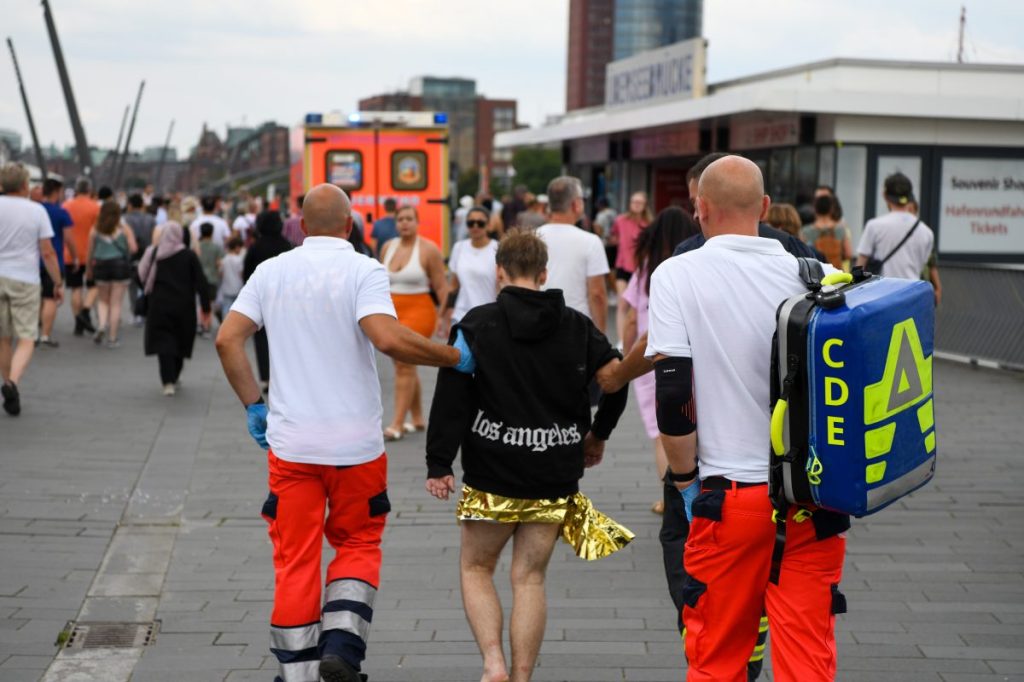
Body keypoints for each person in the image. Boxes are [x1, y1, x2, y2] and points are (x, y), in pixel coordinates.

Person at [216, 182, 471, 682]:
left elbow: (228, 340)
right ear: (351, 227)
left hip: (292, 448)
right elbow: (387, 338)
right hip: (356, 447)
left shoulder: (271, 272)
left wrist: (254, 405)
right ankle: (342, 648)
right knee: (356, 543)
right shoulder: (364, 269)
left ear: (302, 227)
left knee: (296, 559)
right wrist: (454, 357)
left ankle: (297, 674)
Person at [646, 156, 846, 681]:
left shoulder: (677, 275)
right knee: (808, 658)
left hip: (730, 497)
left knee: (720, 656)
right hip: (811, 497)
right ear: (762, 208)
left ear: (700, 209)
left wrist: (685, 481)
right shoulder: (818, 276)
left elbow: (673, 394)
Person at [425, 230, 632, 682]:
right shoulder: (577, 325)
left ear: (499, 272)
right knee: (530, 578)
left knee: (477, 567)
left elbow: (452, 396)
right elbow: (615, 380)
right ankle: (521, 676)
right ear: (544, 273)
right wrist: (598, 435)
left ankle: (492, 663)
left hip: (491, 474)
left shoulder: (477, 324)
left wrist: (439, 462)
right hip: (553, 471)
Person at [621, 207, 698, 515]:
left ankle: (670, 498)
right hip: (689, 355)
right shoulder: (693, 268)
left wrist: (626, 362)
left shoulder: (646, 271)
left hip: (651, 358)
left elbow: (629, 319)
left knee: (661, 431)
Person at [0, 163, 63, 416]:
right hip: (25, 278)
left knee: (3, 337)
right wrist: (57, 282)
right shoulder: (36, 211)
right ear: (25, 185)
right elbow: (47, 251)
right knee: (27, 337)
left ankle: (6, 383)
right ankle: (13, 383)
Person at [381, 205, 448, 440]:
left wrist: (444, 316)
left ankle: (397, 423)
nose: (405, 223)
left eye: (409, 218)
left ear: (418, 222)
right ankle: (418, 417)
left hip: (420, 310)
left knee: (403, 363)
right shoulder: (388, 247)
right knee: (404, 364)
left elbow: (441, 285)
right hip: (392, 311)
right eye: (400, 219)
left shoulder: (429, 249)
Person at [138, 222, 211, 395]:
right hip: (184, 307)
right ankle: (175, 375)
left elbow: (140, 275)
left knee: (164, 344)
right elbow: (201, 281)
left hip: (159, 305)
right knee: (181, 341)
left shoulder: (155, 252)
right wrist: (206, 306)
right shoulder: (189, 255)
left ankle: (167, 381)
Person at [536, 177, 609, 333]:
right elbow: (597, 295)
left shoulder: (532, 237)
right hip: (578, 327)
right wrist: (601, 337)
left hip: (538, 323)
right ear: (576, 204)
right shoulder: (591, 242)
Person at [856, 172, 938, 296]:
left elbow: (859, 267)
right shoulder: (927, 233)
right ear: (910, 197)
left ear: (885, 195)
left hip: (882, 298)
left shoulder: (874, 226)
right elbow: (922, 266)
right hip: (912, 297)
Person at [244, 211, 292, 393]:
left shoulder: (255, 247)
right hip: (286, 300)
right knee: (284, 338)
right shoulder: (287, 246)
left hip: (262, 300)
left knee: (262, 339)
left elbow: (247, 275)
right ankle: (282, 376)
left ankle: (265, 377)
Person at [439, 206, 498, 338]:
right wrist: (442, 315)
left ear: (488, 225)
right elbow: (453, 286)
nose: (475, 226)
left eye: (480, 223)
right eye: (471, 223)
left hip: (488, 318)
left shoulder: (497, 249)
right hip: (461, 316)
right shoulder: (459, 247)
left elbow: (501, 287)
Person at [85, 200, 138, 348]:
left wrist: (88, 270)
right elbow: (133, 248)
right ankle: (112, 338)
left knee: (102, 300)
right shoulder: (124, 228)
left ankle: (102, 325)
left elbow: (89, 252)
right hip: (120, 266)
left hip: (101, 265)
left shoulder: (95, 229)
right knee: (116, 303)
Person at [610, 192, 652, 347]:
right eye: (634, 201)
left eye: (640, 202)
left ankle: (633, 338)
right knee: (622, 303)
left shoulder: (648, 224)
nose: (636, 204)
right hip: (623, 266)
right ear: (629, 203)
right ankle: (621, 340)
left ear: (645, 205)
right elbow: (613, 237)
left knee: (637, 305)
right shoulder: (620, 221)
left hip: (640, 269)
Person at [38, 178, 75, 347]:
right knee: (50, 298)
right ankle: (45, 335)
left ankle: (31, 332)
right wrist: (74, 257)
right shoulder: (61, 213)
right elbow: (68, 238)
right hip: (54, 260)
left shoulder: (35, 210)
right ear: (56, 192)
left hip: (33, 260)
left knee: (36, 298)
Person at [63, 177, 100, 336]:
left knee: (75, 288)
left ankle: (78, 323)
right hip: (92, 253)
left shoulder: (66, 206)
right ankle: (85, 311)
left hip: (70, 254)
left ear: (76, 190)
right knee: (94, 286)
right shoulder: (96, 207)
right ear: (90, 190)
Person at [123, 193, 157, 323]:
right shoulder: (151, 219)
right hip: (148, 254)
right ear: (142, 205)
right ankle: (146, 310)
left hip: (130, 255)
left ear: (130, 205)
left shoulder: (125, 219)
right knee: (148, 283)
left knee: (132, 285)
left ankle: (135, 311)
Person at [801, 195, 853, 270]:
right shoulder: (840, 229)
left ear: (815, 209)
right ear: (831, 209)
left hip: (816, 273)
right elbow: (848, 254)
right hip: (836, 273)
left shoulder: (806, 231)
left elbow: (802, 252)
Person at [197, 223, 224, 334]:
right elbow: (219, 263)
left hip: (200, 277)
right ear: (212, 233)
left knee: (201, 302)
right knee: (210, 302)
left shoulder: (197, 246)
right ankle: (207, 325)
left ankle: (201, 323)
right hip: (212, 278)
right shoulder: (216, 247)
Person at [219, 237, 245, 315]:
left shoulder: (224, 259)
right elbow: (241, 274)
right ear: (237, 247)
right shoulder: (239, 259)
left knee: (226, 308)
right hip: (237, 287)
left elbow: (221, 274)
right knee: (237, 309)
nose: (240, 250)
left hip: (226, 287)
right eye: (240, 248)